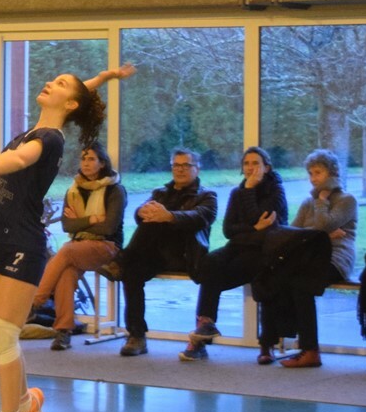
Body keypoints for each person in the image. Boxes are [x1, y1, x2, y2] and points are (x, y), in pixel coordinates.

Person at [0, 64, 135, 412]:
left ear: (69, 104)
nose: (51, 82)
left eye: (61, 84)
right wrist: (103, 78)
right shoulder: (35, 128)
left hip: (23, 241)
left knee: (3, 334)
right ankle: (27, 402)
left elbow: (19, 160)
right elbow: (82, 91)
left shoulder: (48, 139)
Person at [178, 146, 288, 362]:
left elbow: (265, 224)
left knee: (254, 275)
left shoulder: (276, 191)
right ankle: (205, 326)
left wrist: (250, 191)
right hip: (238, 247)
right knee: (209, 263)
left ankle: (266, 344)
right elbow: (229, 230)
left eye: (255, 163)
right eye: (246, 163)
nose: (250, 168)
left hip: (265, 251)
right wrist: (254, 228)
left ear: (267, 167)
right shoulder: (237, 192)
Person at [256, 149, 358, 368]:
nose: (313, 178)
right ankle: (268, 343)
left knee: (301, 285)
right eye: (310, 173)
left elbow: (322, 224)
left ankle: (310, 351)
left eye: (318, 173)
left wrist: (321, 202)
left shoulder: (347, 200)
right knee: (270, 276)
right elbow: (290, 235)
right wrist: (323, 235)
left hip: (336, 258)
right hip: (306, 259)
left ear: (332, 172)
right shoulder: (306, 203)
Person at [113, 148, 218, 357]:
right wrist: (141, 211)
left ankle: (120, 260)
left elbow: (199, 218)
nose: (180, 170)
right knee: (132, 271)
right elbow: (140, 214)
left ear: (197, 169)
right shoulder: (160, 193)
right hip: (155, 254)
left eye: (186, 165)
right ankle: (136, 335)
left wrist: (169, 216)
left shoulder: (207, 196)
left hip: (185, 255)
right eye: (176, 165)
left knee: (153, 224)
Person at [29, 141, 126, 350]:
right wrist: (92, 219)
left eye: (91, 159)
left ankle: (35, 302)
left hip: (107, 246)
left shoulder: (115, 190)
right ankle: (64, 331)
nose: (86, 163)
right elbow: (67, 225)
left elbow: (109, 227)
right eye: (83, 158)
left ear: (102, 163)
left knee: (66, 250)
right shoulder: (73, 190)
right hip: (79, 246)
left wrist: (80, 221)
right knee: (66, 274)